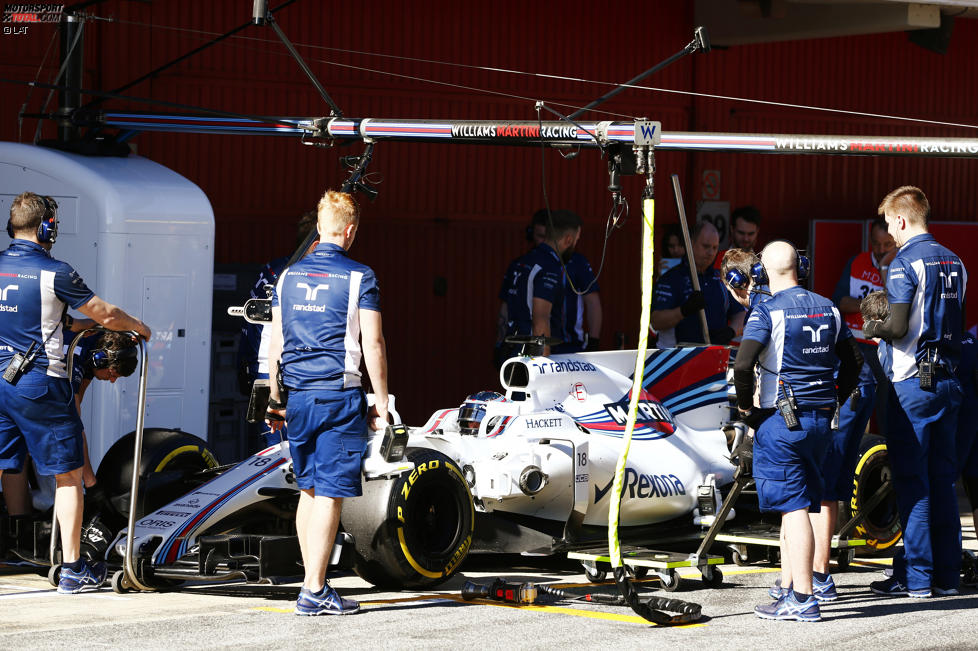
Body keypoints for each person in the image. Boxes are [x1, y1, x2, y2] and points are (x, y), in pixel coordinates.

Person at [0, 192, 151, 594]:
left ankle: (14, 539)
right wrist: (139, 326)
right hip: (37, 383)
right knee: (69, 478)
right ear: (47, 227)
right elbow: (106, 315)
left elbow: (58, 321)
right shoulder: (55, 272)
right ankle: (73, 568)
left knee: (8, 465)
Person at [265, 189, 388, 616]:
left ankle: (310, 582)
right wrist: (383, 401)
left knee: (309, 489)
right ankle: (314, 591)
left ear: (320, 227)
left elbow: (275, 344)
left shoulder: (287, 276)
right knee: (331, 495)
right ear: (350, 231)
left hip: (297, 397)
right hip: (337, 397)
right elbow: (372, 343)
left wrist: (274, 399)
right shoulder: (360, 276)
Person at [733, 241, 862, 622]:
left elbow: (742, 365)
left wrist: (746, 409)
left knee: (792, 510)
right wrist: (834, 395)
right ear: (800, 266)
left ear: (762, 274)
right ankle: (791, 586)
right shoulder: (830, 307)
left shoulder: (767, 311)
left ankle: (803, 599)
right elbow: (853, 362)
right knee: (808, 501)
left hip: (782, 422)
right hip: (823, 420)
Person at [864, 186, 966, 598]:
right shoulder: (956, 261)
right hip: (950, 382)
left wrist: (873, 328)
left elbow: (899, 326)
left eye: (889, 224)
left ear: (902, 220)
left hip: (912, 385)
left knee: (913, 481)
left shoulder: (905, 262)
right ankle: (947, 577)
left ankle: (918, 579)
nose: (889, 233)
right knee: (943, 480)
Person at [818, 218, 896, 580]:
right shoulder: (857, 262)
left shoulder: (901, 267)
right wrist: (865, 300)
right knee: (851, 428)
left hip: (885, 350)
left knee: (888, 419)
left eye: (886, 245)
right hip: (856, 348)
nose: (880, 251)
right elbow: (839, 299)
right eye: (876, 244)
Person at [238, 212, 318, 449]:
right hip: (284, 372)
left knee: (273, 451)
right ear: (315, 243)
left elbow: (248, 324)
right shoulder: (300, 275)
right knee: (281, 455)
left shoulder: (273, 269)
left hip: (261, 370)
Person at [499, 209, 582, 358]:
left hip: (513, 348)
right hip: (532, 356)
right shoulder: (549, 266)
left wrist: (499, 344)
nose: (575, 245)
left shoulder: (522, 262)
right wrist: (543, 363)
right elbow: (541, 317)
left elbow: (505, 309)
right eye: (576, 241)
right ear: (569, 240)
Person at [652, 221, 744, 347]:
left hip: (715, 356)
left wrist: (730, 331)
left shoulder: (722, 279)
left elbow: (741, 314)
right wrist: (683, 310)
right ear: (690, 244)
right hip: (678, 359)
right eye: (706, 246)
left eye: (714, 247)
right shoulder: (671, 278)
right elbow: (656, 321)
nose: (711, 253)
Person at [495, 210, 548, 366]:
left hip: (554, 346)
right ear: (531, 234)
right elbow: (505, 306)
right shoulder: (517, 265)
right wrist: (499, 343)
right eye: (539, 236)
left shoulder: (563, 267)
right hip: (516, 343)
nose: (543, 242)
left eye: (547, 237)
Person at [555, 249, 602, 354]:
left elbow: (593, 302)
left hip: (572, 345)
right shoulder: (534, 258)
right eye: (540, 237)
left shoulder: (577, 261)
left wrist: (593, 342)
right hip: (539, 343)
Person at [713, 205, 762, 269]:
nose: (746, 239)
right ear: (732, 230)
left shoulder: (764, 263)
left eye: (750, 234)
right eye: (741, 233)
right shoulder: (716, 260)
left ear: (757, 231)